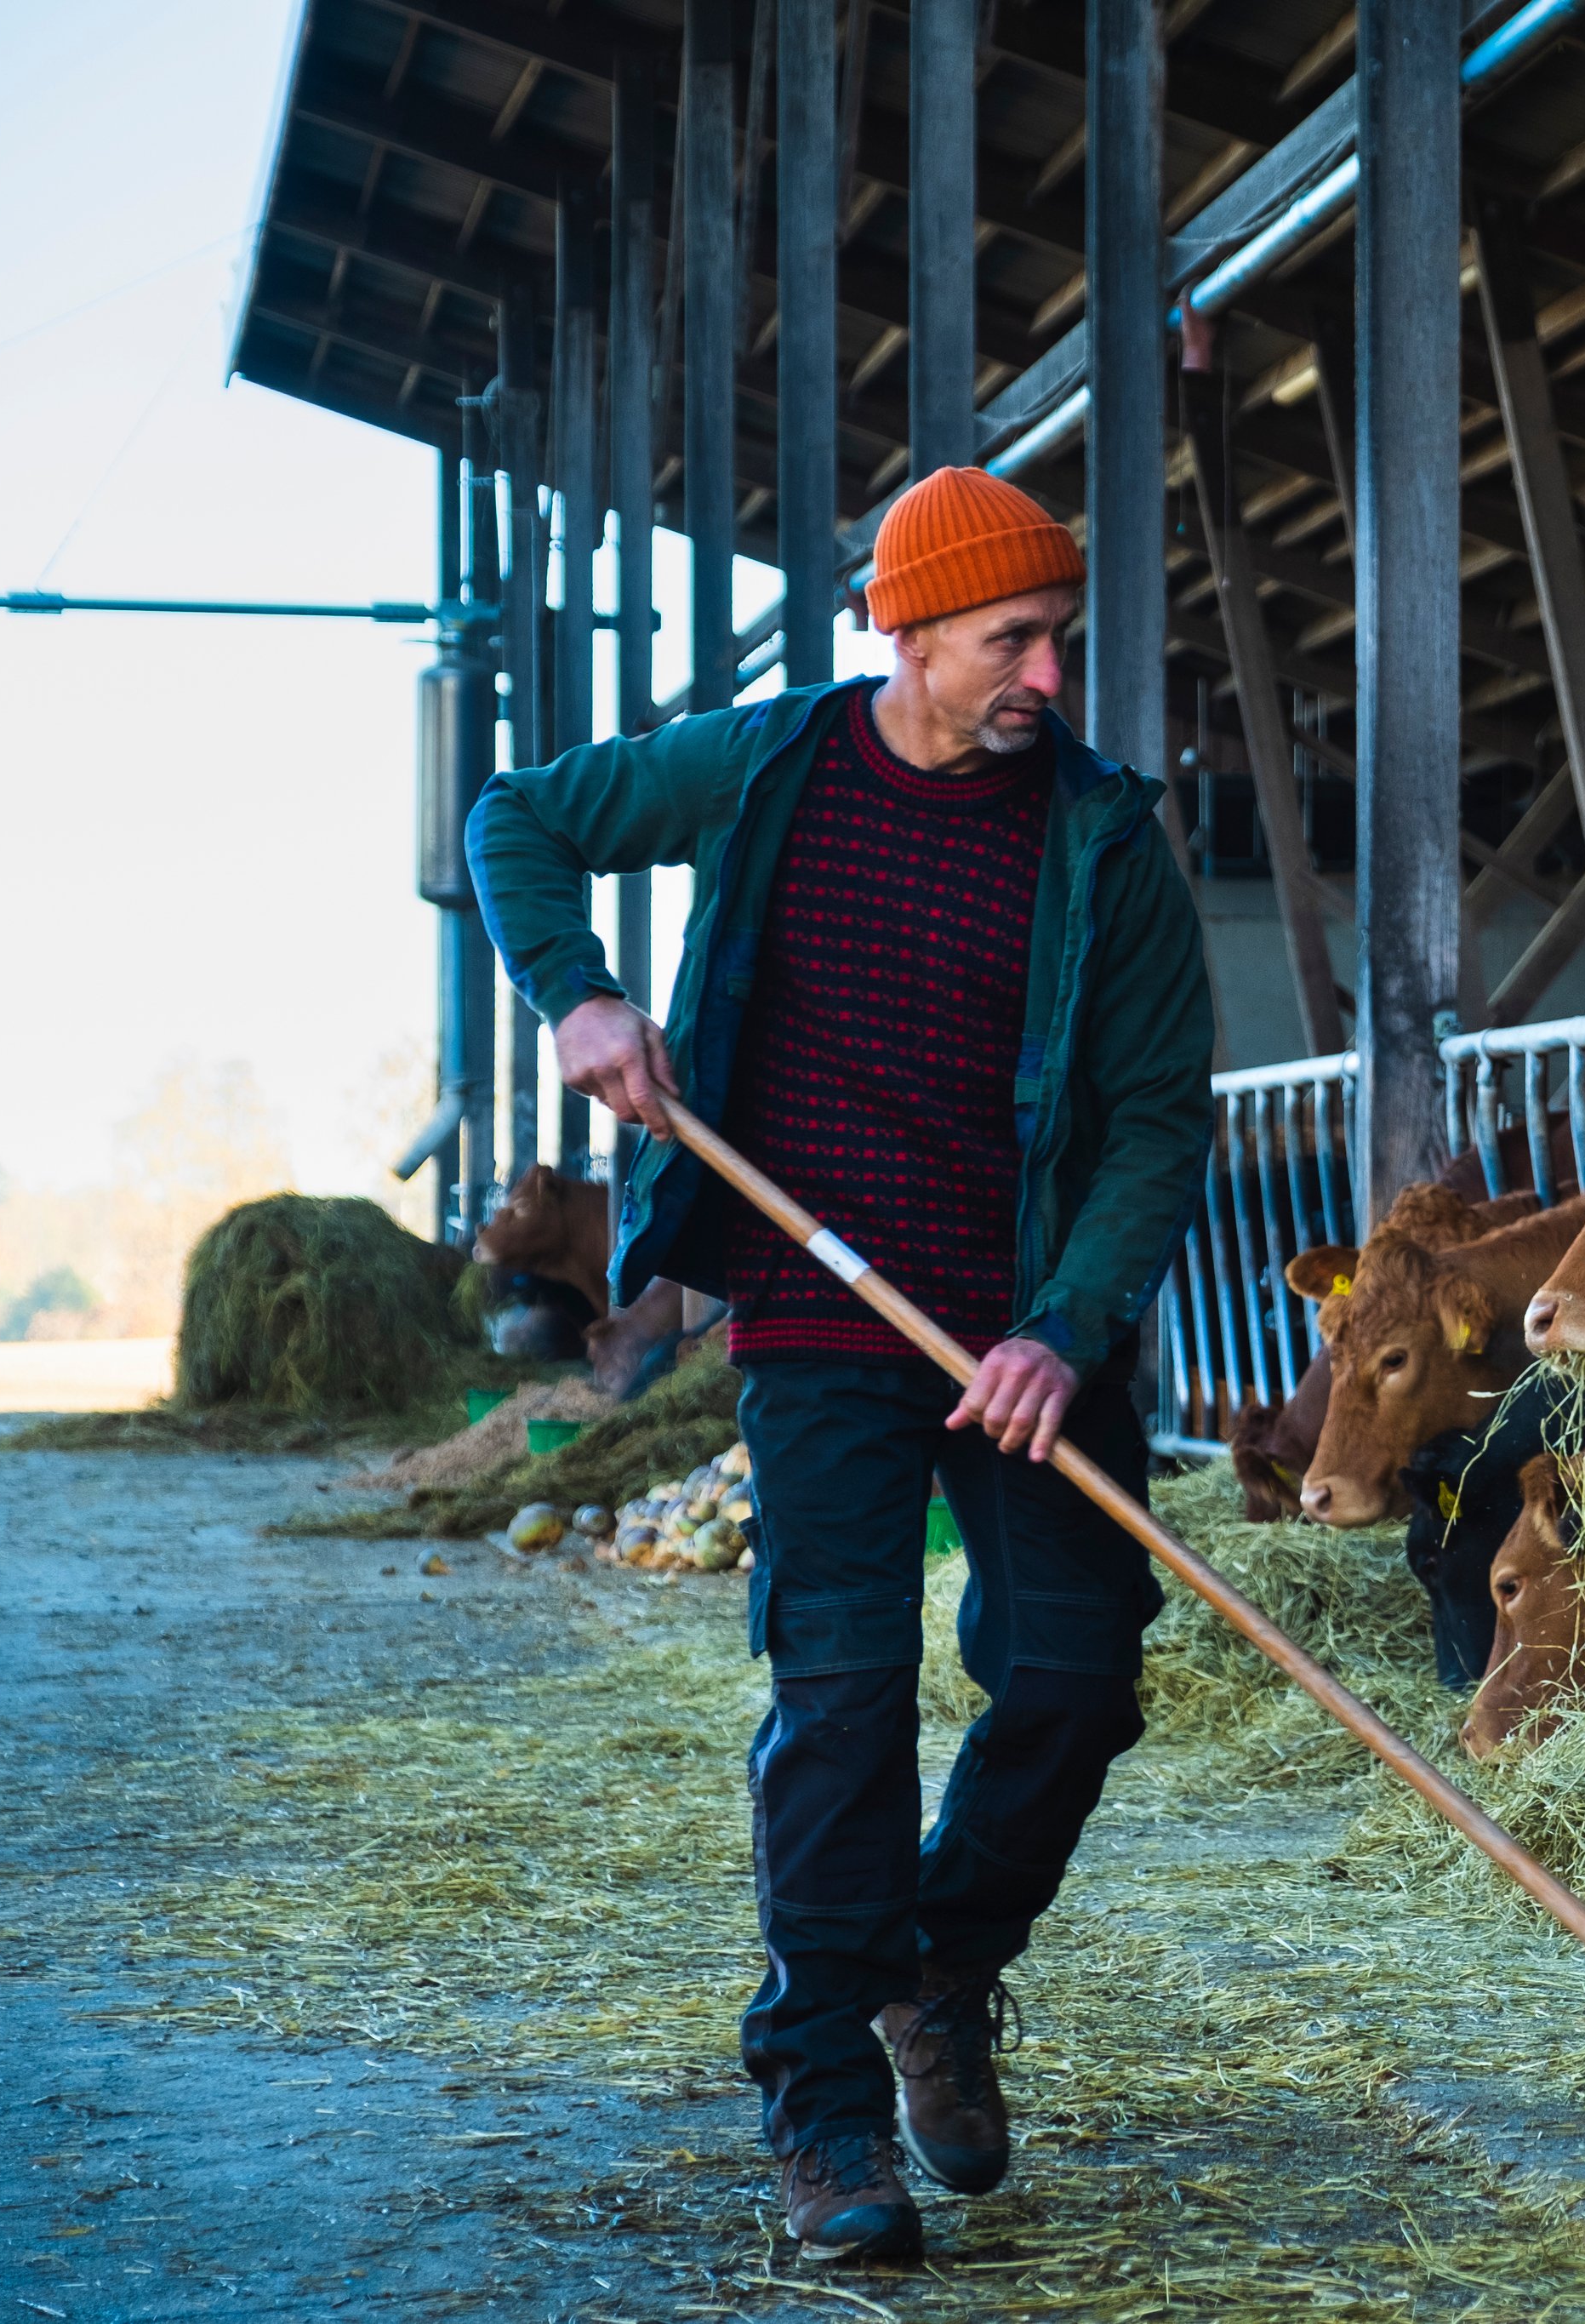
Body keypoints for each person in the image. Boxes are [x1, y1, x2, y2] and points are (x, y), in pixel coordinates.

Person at [470, 466, 1214, 2260]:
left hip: (1015, 1320)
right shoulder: (770, 763)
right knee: (843, 1696)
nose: (1045, 668)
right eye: (1009, 637)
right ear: (910, 634)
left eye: (1057, 635)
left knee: (1075, 1663)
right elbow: (518, 819)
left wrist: (1062, 1324)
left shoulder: (1104, 840)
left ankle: (939, 1965)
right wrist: (577, 991)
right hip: (814, 1304)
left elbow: (1154, 1122)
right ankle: (821, 2105)